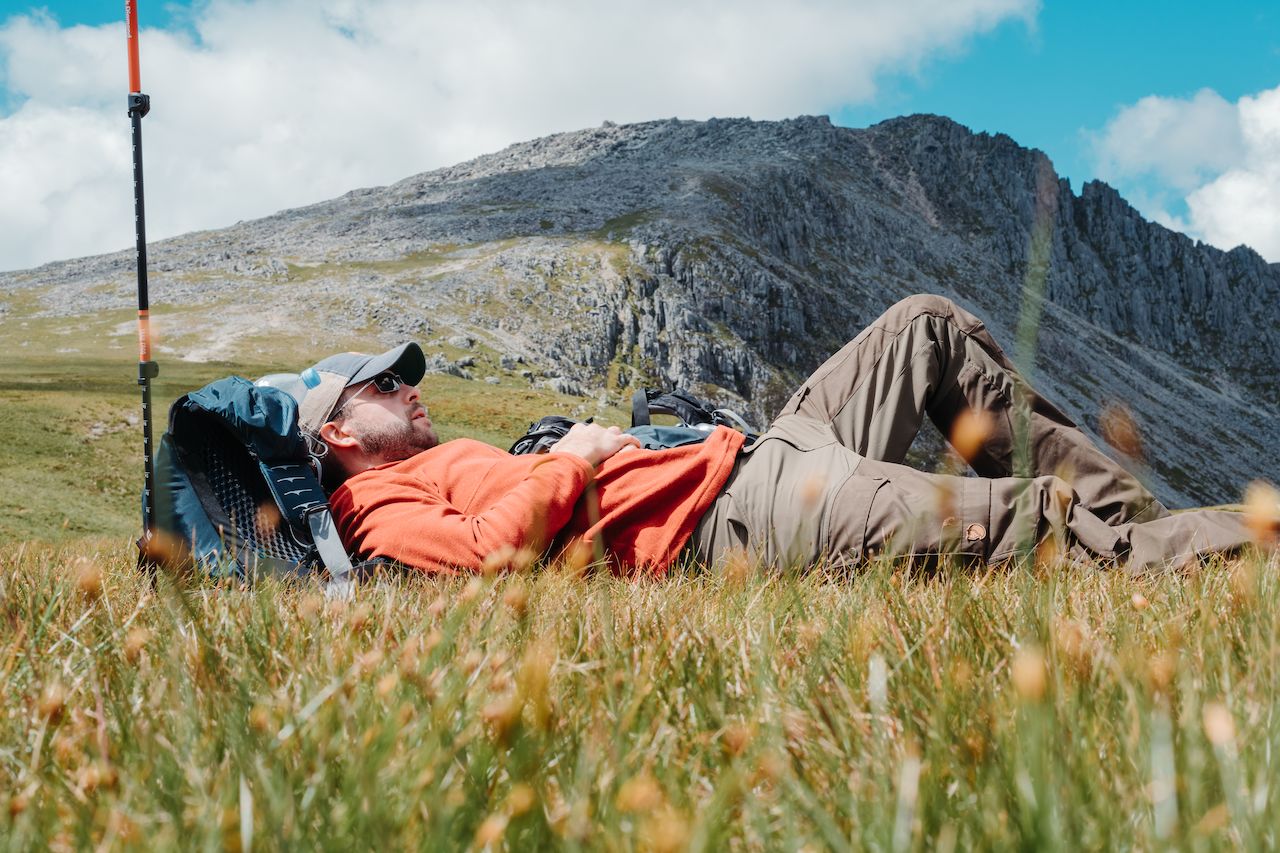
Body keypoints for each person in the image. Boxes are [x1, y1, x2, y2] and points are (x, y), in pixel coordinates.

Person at [295, 295, 1259, 577]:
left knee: (926, 326)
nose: (411, 392)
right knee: (1038, 520)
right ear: (338, 431)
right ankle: (1241, 540)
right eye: (386, 385)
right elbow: (485, 551)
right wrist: (570, 460)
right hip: (747, 515)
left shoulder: (442, 458)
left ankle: (1141, 522)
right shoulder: (368, 508)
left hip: (765, 447)